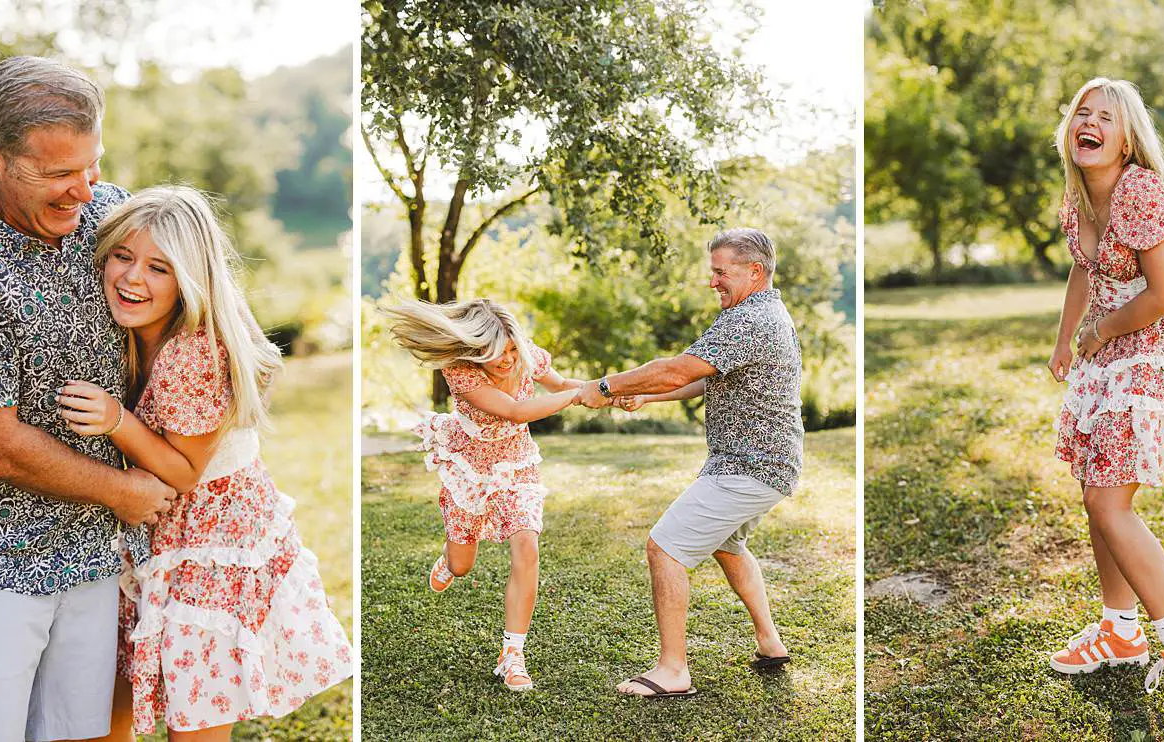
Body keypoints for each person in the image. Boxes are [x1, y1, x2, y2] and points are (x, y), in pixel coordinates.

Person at [0, 55, 174, 742]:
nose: (83, 190)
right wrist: (122, 490)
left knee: (81, 734)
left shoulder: (111, 218)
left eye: (91, 164)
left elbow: (190, 303)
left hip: (95, 554)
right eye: (57, 174)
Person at [55, 186, 353, 737]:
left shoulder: (194, 348)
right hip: (153, 537)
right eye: (122, 256)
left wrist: (117, 419)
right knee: (106, 701)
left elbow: (184, 471)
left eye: (159, 268)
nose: (132, 278)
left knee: (196, 710)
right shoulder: (119, 331)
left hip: (212, 539)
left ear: (190, 278)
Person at [1045, 77, 1164, 706]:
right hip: (1103, 351)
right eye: (1081, 114)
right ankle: (1120, 630)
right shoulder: (1077, 197)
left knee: (1108, 503)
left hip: (1150, 348)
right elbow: (1083, 271)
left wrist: (1100, 330)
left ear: (1127, 140)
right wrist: (1067, 340)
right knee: (1096, 498)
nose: (1089, 124)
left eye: (1106, 118)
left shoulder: (1141, 190)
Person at [577, 227, 803, 699]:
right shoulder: (757, 312)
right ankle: (770, 642)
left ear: (754, 271)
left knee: (665, 548)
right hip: (764, 463)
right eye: (713, 271)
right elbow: (704, 375)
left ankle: (673, 671)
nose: (713, 281)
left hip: (751, 464)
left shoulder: (750, 319)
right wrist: (640, 392)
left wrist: (606, 386)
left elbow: (679, 367)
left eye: (721, 272)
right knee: (728, 547)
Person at [383, 298, 591, 691]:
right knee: (462, 566)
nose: (508, 359)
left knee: (527, 544)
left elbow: (562, 385)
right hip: (470, 467)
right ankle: (450, 557)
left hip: (517, 464)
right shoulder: (460, 372)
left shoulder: (526, 354)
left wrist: (604, 391)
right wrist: (577, 397)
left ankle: (512, 655)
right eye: (497, 353)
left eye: (513, 348)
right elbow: (515, 411)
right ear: (476, 350)